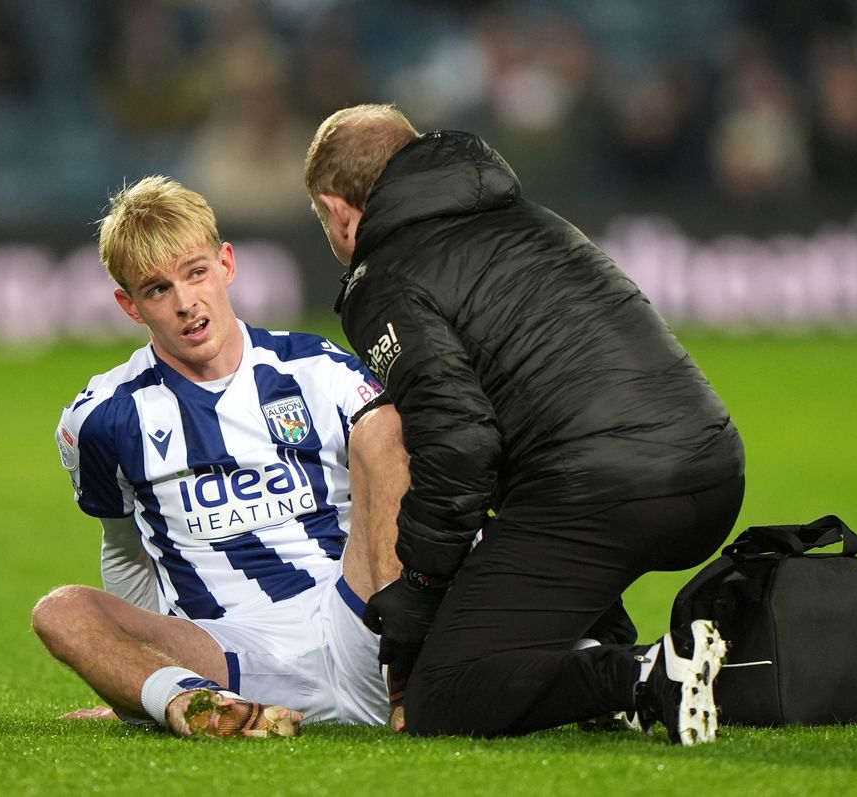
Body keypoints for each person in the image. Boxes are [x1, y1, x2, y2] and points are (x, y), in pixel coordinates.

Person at [304, 105, 746, 744]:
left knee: (444, 696)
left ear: (337, 209)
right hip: (712, 471)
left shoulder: (386, 277)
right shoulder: (534, 220)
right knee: (535, 488)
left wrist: (420, 591)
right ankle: (608, 647)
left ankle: (643, 677)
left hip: (604, 495)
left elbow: (457, 444)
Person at [31, 176, 409, 739]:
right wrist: (140, 681)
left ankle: (413, 667)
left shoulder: (317, 369)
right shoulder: (103, 418)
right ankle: (188, 703)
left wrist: (398, 627)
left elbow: (393, 494)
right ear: (129, 305)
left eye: (195, 272)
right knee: (59, 612)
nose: (185, 303)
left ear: (226, 264)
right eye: (157, 289)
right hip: (231, 654)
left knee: (389, 436)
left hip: (356, 618)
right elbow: (124, 548)